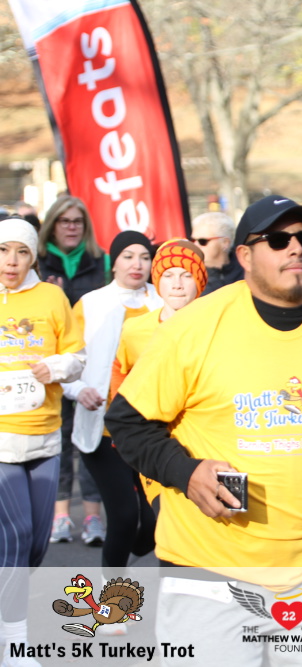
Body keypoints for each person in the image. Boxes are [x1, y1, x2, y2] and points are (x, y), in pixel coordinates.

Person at [104, 195, 302, 666]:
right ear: (244, 256)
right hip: (207, 569)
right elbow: (127, 422)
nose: (295, 248)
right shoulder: (195, 328)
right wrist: (185, 473)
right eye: (277, 239)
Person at [0, 218, 85, 667]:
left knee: (34, 546)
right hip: (1, 438)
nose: (11, 261)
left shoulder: (52, 297)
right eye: (3, 250)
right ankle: (15, 644)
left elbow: (77, 356)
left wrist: (56, 367)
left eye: (21, 252)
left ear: (33, 256)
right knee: (14, 536)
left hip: (45, 437)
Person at [61, 230, 161, 594]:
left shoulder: (162, 300)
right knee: (123, 515)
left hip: (152, 430)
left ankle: (127, 555)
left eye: (144, 257)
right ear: (113, 262)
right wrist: (79, 390)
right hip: (102, 430)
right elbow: (69, 361)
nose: (137, 264)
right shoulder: (90, 304)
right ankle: (112, 596)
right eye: (128, 256)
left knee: (155, 522)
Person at [109, 239, 208, 506]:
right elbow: (120, 370)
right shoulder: (135, 329)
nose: (177, 284)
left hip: (205, 441)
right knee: (163, 515)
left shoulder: (215, 327)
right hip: (156, 443)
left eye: (186, 275)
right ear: (157, 280)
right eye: (168, 275)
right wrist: (127, 426)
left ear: (200, 280)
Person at [38, 195, 109, 545]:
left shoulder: (101, 261)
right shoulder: (37, 262)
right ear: (52, 225)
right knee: (59, 441)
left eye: (77, 221)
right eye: (64, 221)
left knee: (92, 440)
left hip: (92, 363)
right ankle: (61, 516)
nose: (71, 227)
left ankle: (93, 517)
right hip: (49, 365)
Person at [190, 211, 243, 294]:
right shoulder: (189, 276)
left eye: (202, 241)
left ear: (225, 243)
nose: (195, 245)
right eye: (193, 240)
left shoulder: (248, 269)